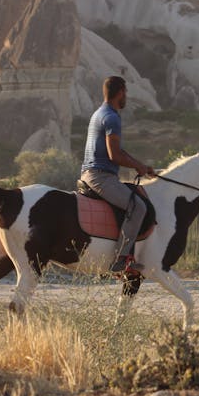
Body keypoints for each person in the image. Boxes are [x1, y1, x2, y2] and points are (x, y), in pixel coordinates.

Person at [81, 75, 156, 274]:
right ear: (121, 92)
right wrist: (137, 166)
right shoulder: (112, 117)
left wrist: (141, 166)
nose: (126, 97)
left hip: (94, 173)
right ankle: (121, 258)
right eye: (126, 93)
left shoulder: (100, 113)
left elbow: (117, 151)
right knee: (137, 206)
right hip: (100, 176)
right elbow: (114, 155)